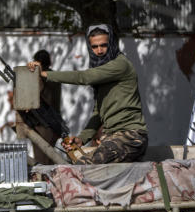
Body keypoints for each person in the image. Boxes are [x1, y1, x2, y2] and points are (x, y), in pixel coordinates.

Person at [28, 24, 148, 164]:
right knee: (76, 163)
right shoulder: (103, 74)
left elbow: (84, 77)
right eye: (95, 47)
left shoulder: (120, 64)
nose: (99, 50)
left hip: (130, 136)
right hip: (112, 137)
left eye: (104, 45)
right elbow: (98, 112)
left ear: (113, 44)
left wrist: (44, 74)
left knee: (84, 166)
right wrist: (81, 139)